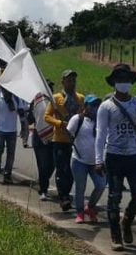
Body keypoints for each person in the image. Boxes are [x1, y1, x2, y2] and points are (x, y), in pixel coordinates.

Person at [94, 64, 136, 251]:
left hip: (134, 157)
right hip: (114, 156)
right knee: (114, 197)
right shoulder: (106, 106)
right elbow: (100, 133)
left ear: (131, 82)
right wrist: (98, 159)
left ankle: (127, 220)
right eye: (120, 79)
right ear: (114, 82)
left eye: (126, 79)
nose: (123, 82)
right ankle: (115, 235)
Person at [45, 70, 85, 211]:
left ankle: (67, 193)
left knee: (72, 170)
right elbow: (47, 117)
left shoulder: (80, 98)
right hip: (60, 139)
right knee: (62, 169)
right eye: (69, 80)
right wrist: (60, 123)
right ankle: (63, 197)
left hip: (75, 140)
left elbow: (84, 115)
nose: (72, 83)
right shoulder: (56, 98)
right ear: (63, 82)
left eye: (74, 80)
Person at [67, 94, 106, 224]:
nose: (95, 108)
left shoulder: (101, 122)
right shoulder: (77, 119)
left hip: (96, 162)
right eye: (92, 105)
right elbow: (69, 133)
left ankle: (89, 207)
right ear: (85, 106)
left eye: (97, 105)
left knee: (101, 185)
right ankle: (79, 212)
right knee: (80, 187)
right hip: (79, 161)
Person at [0, 87, 25, 184]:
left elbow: (21, 114)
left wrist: (23, 127)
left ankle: (7, 174)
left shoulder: (17, 99)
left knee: (11, 154)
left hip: (12, 131)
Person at [28, 80, 55, 201]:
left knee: (52, 164)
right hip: (39, 137)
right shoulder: (36, 102)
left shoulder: (55, 101)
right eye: (49, 87)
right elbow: (29, 120)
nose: (51, 90)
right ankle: (43, 190)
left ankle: (43, 181)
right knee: (43, 165)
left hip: (53, 137)